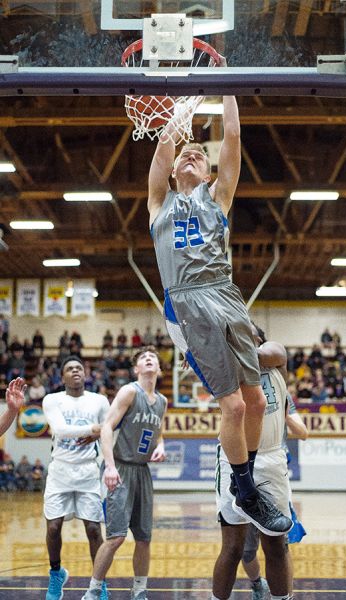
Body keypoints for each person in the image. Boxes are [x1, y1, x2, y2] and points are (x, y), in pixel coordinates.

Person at [147, 88, 291, 536]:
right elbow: (165, 147)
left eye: (198, 155)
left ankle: (245, 486)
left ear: (210, 173)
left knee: (255, 400)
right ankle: (244, 488)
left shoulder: (218, 198)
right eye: (183, 155)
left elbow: (231, 134)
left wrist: (230, 83)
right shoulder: (159, 203)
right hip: (187, 301)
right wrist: (180, 109)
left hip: (227, 295)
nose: (190, 155)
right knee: (231, 405)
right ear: (172, 172)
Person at [213, 323, 308, 600]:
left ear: (259, 339)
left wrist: (206, 350)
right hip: (234, 460)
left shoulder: (275, 358)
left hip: (271, 459)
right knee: (233, 548)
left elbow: (269, 351)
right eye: (236, 337)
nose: (241, 340)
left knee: (277, 545)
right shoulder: (227, 368)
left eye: (247, 335)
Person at [81, 346, 167, 600]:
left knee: (144, 538)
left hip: (142, 472)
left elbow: (158, 431)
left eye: (153, 357)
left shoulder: (161, 401)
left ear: (159, 369)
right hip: (119, 468)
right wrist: (109, 466)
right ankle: (93, 590)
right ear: (136, 369)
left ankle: (139, 590)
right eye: (143, 358)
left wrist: (161, 445)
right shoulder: (130, 391)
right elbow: (107, 427)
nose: (149, 358)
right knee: (116, 537)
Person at [41, 355, 110, 600]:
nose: (75, 371)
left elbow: (111, 428)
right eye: (69, 368)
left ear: (87, 373)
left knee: (93, 529)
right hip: (60, 470)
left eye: (79, 368)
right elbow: (60, 431)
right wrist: (93, 429)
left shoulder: (99, 401)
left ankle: (99, 584)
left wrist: (101, 432)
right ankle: (56, 573)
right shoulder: (52, 400)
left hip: (88, 471)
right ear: (62, 377)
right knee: (53, 527)